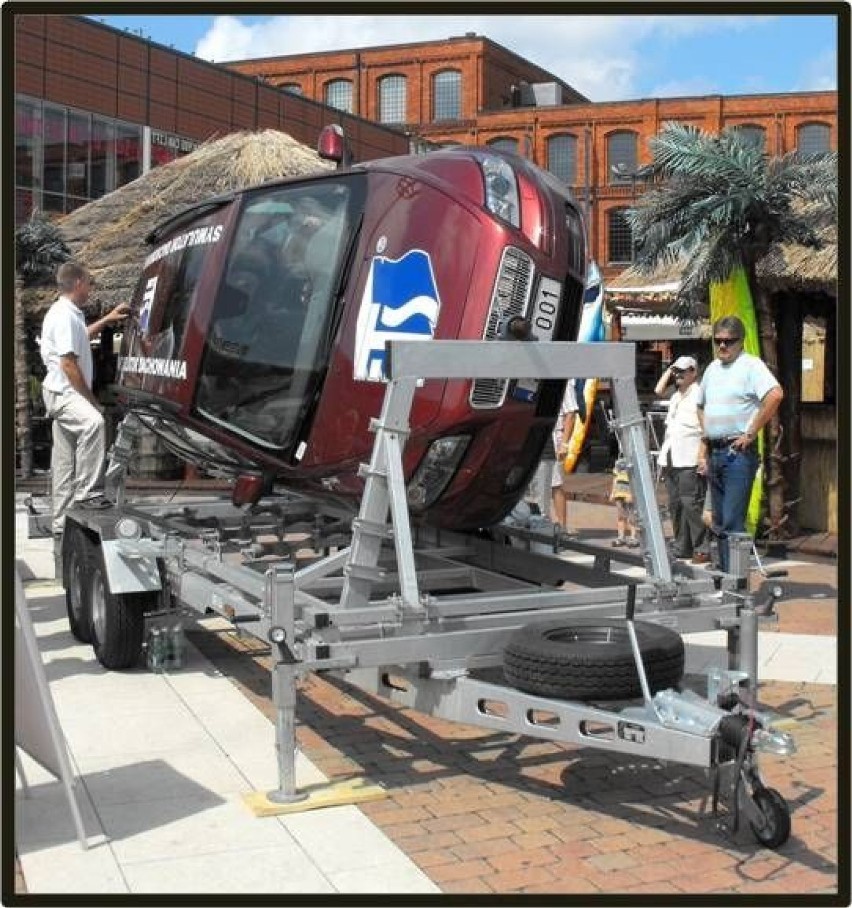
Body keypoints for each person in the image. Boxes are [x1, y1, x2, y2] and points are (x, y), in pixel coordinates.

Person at [39, 262, 129, 538]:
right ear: (78, 282)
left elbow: (80, 338)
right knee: (94, 423)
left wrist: (107, 320)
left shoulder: (67, 314)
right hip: (65, 393)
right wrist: (91, 400)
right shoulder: (64, 315)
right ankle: (89, 493)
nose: (90, 289)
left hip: (57, 392)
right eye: (89, 283)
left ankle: (59, 526)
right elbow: (68, 364)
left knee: (64, 461)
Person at [696, 315, 784, 572]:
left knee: (734, 522)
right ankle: (727, 579)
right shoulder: (712, 368)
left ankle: (737, 583)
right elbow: (700, 405)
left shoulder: (751, 365)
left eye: (728, 341)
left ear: (740, 341)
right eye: (718, 341)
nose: (722, 346)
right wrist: (708, 432)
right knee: (720, 522)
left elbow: (775, 394)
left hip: (737, 454)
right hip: (715, 451)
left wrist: (750, 432)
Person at [654, 355, 709, 564]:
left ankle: (701, 547)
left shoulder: (699, 394)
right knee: (675, 504)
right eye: (677, 371)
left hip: (689, 456)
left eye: (683, 371)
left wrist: (702, 456)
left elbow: (706, 428)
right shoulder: (677, 395)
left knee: (691, 504)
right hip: (671, 455)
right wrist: (671, 369)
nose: (678, 375)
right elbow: (658, 390)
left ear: (693, 373)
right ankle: (682, 546)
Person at [552, 379, 580, 531]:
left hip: (555, 434)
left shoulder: (564, 380)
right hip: (537, 431)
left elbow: (571, 413)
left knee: (555, 483)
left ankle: (562, 527)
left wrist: (564, 444)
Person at [610, 456, 639, 547]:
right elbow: (615, 478)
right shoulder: (618, 462)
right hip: (619, 492)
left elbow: (634, 480)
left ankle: (633, 537)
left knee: (631, 516)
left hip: (628, 491)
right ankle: (621, 536)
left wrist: (631, 493)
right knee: (620, 516)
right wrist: (613, 492)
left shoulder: (633, 463)